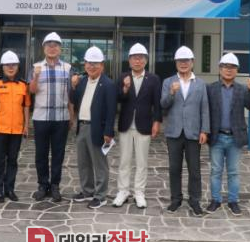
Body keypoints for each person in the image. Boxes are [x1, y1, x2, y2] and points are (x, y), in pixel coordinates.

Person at [205, 53, 250, 216]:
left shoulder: (242, 89)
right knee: (215, 171)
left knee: (233, 172)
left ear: (237, 70)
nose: (229, 70)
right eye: (225, 67)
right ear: (220, 69)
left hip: (235, 137)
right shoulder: (211, 88)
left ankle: (233, 201)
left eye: (232, 67)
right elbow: (205, 112)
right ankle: (215, 200)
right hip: (216, 136)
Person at [160, 46, 209, 216]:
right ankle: (176, 199)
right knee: (174, 168)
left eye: (186, 61)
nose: (183, 64)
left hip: (193, 132)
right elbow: (163, 104)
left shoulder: (200, 83)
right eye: (180, 61)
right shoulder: (168, 82)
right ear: (176, 63)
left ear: (192, 62)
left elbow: (204, 109)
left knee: (194, 169)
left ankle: (195, 201)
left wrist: (205, 130)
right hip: (174, 132)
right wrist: (171, 93)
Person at [113, 43, 162, 209]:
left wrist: (157, 122)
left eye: (141, 58)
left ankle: (139, 192)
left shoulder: (153, 79)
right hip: (126, 124)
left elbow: (157, 103)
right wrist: (125, 88)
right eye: (134, 58)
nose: (137, 61)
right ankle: (123, 191)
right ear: (129, 60)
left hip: (144, 124)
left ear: (146, 61)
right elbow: (117, 99)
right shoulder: (123, 77)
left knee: (142, 162)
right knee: (124, 161)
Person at [70, 46, 117, 209]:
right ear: (85, 64)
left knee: (99, 164)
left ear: (102, 65)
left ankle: (100, 196)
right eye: (89, 63)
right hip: (82, 126)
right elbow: (74, 100)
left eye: (95, 63)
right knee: (83, 163)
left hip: (98, 129)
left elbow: (111, 110)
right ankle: (87, 191)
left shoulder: (108, 84)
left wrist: (109, 131)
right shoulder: (82, 81)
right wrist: (73, 86)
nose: (92, 66)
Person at [29, 32, 73, 202]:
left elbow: (70, 94)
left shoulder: (67, 68)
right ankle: (42, 185)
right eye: (49, 45)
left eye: (55, 45)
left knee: (58, 154)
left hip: (61, 118)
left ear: (60, 49)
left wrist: (72, 116)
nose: (52, 48)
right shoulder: (36, 67)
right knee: (40, 154)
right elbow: (31, 91)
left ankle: (55, 186)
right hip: (41, 117)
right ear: (44, 48)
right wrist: (36, 76)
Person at [0, 51, 30, 203]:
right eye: (7, 65)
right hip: (0, 128)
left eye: (14, 65)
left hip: (17, 129)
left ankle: (9, 189)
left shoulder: (23, 84)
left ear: (18, 67)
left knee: (13, 160)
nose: (11, 67)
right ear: (2, 67)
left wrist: (26, 125)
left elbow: (26, 106)